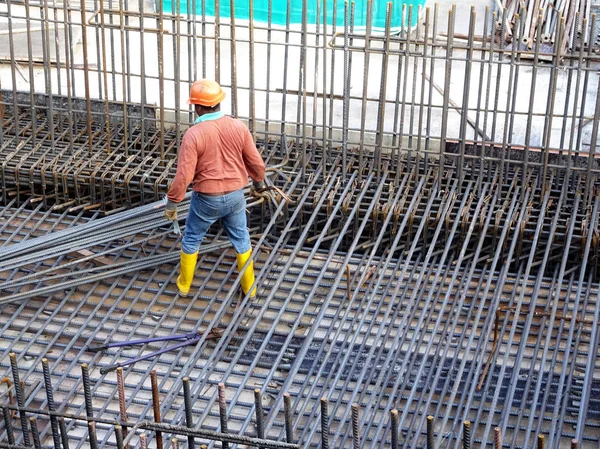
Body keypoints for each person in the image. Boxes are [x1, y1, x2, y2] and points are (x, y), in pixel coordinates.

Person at [164, 79, 266, 298]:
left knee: (192, 238)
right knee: (241, 238)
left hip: (206, 199)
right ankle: (250, 288)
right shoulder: (238, 126)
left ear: (198, 107)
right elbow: (256, 163)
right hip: (236, 196)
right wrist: (258, 184)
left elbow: (184, 176)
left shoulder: (194, 134)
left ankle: (184, 286)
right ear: (219, 102)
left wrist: (172, 203)